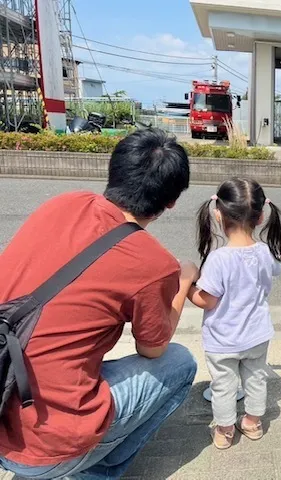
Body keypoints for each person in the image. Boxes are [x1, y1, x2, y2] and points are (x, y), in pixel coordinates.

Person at [0, 128, 199, 478]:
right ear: (171, 201)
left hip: (5, 399)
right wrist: (183, 281)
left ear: (114, 171)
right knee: (181, 362)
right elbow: (153, 349)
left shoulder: (64, 203)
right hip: (52, 444)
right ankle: (90, 472)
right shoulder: (154, 263)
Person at [188, 178, 281, 450]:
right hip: (257, 335)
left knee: (224, 386)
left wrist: (187, 286)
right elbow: (276, 270)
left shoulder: (219, 259)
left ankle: (225, 431)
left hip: (223, 340)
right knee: (256, 379)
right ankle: (253, 423)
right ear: (262, 216)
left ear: (218, 214)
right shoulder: (266, 251)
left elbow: (206, 300)